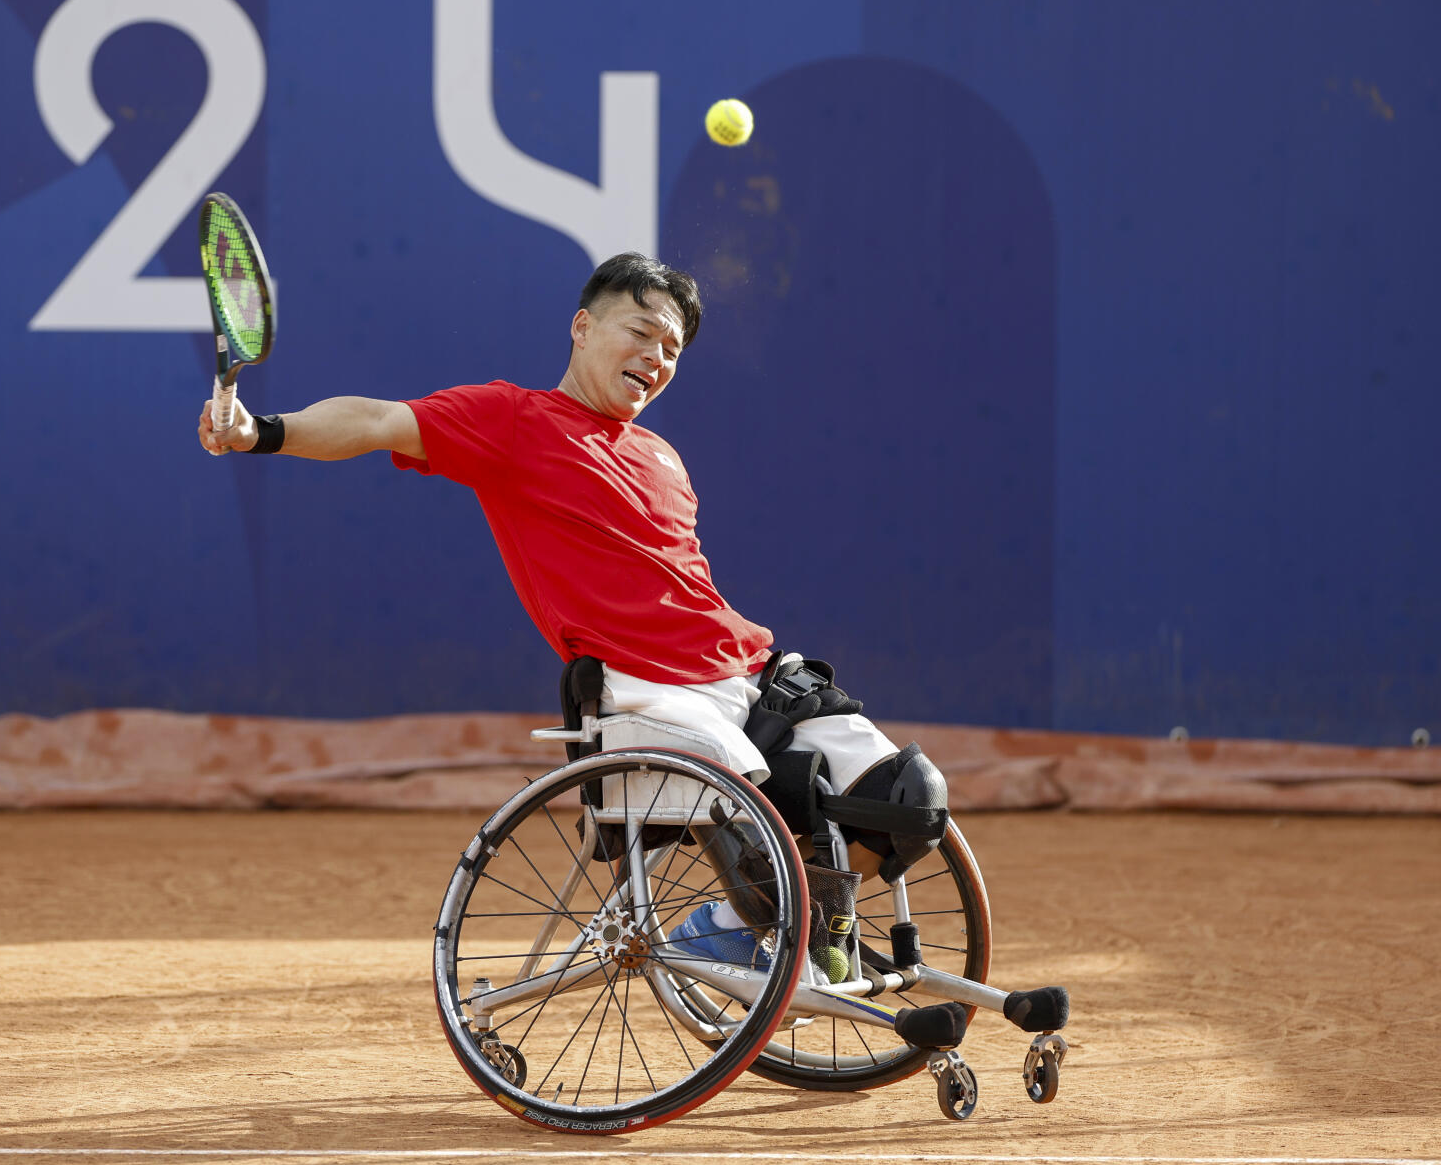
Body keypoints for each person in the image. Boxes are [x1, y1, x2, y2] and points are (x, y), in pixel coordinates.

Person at [197, 252, 946, 972]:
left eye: (673, 348)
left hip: (753, 679)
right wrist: (259, 432)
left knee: (911, 797)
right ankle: (763, 924)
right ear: (583, 327)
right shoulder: (513, 420)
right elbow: (373, 420)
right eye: (641, 331)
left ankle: (748, 927)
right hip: (648, 689)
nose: (657, 357)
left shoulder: (663, 456)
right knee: (756, 821)